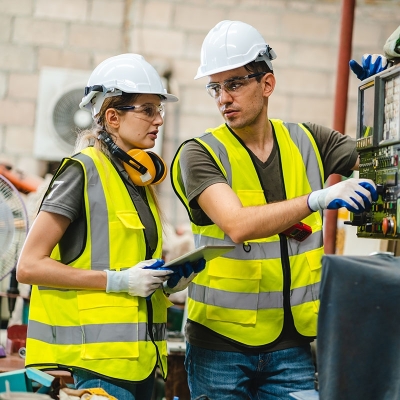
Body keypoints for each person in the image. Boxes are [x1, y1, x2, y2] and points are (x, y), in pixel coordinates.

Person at [170, 20, 378, 400]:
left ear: (267, 84)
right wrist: (317, 199)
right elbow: (236, 225)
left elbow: (382, 159)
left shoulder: (309, 139)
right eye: (215, 87)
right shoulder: (199, 153)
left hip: (292, 346)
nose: (223, 98)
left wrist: (380, 96)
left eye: (234, 83)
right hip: (220, 345)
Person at [16, 53, 204, 400]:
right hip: (95, 367)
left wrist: (168, 280)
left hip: (140, 362)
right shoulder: (82, 172)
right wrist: (120, 280)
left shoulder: (137, 181)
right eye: (147, 110)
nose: (158, 120)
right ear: (113, 117)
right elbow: (29, 267)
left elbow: (127, 269)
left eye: (159, 110)